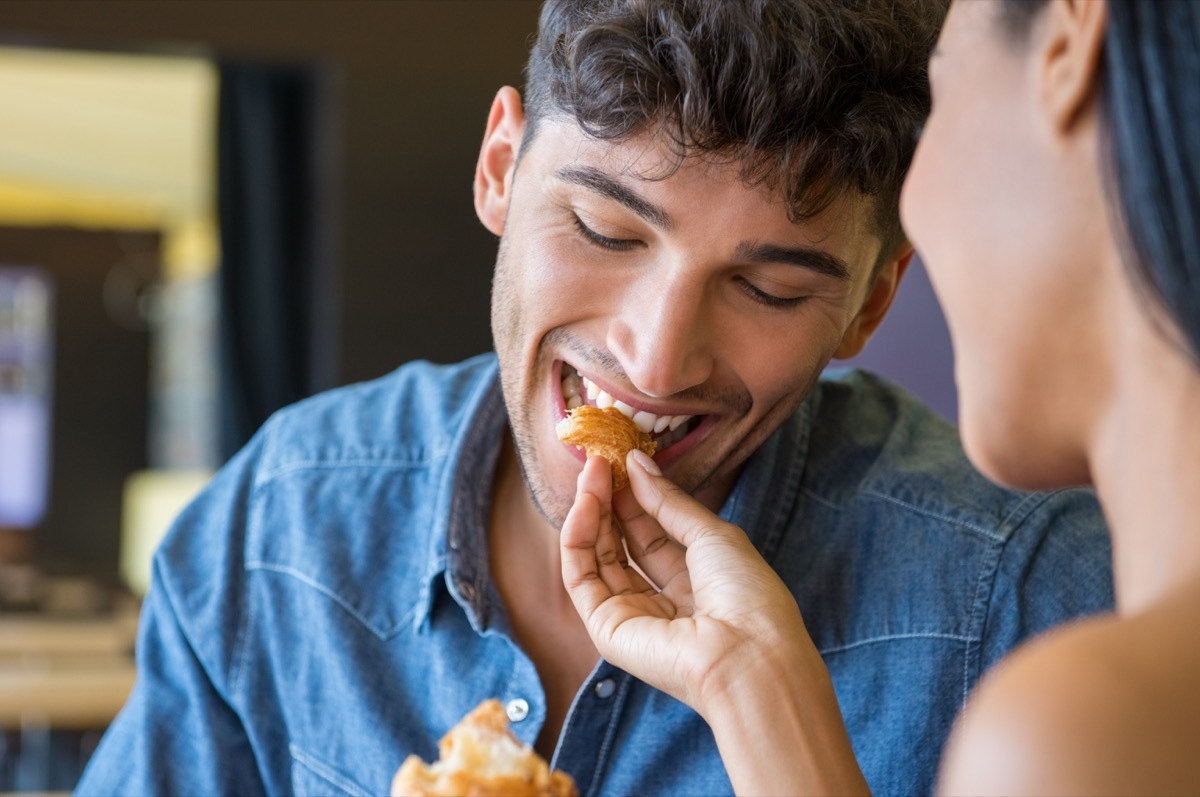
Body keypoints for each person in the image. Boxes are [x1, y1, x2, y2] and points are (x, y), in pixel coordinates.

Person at [75, 1, 1114, 796]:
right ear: (498, 170)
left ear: (869, 306)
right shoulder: (280, 527)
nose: (656, 361)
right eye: (606, 232)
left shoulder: (1023, 597)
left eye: (768, 287)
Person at [561, 0, 1200, 794]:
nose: (656, 367)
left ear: (1068, 41)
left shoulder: (1089, 725)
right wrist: (750, 686)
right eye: (603, 230)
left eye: (947, 84)